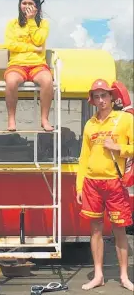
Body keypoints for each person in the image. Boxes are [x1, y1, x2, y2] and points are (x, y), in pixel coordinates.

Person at [76, 79, 133, 292]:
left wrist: (118, 147)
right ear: (92, 100)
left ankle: (124, 277)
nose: (101, 100)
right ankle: (98, 275)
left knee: (120, 229)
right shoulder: (90, 124)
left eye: (104, 95)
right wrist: (79, 186)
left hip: (115, 182)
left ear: (111, 97)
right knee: (95, 230)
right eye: (97, 96)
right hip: (91, 182)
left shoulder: (125, 119)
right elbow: (83, 157)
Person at [4, 0, 54, 132]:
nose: (26, 6)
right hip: (17, 64)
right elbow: (10, 44)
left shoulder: (43, 24)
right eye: (24, 3)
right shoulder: (12, 24)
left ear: (37, 6)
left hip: (37, 64)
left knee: (47, 80)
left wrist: (31, 20)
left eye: (30, 3)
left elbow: (39, 40)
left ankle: (44, 119)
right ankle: (11, 118)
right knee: (12, 81)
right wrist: (31, 47)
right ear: (19, 5)